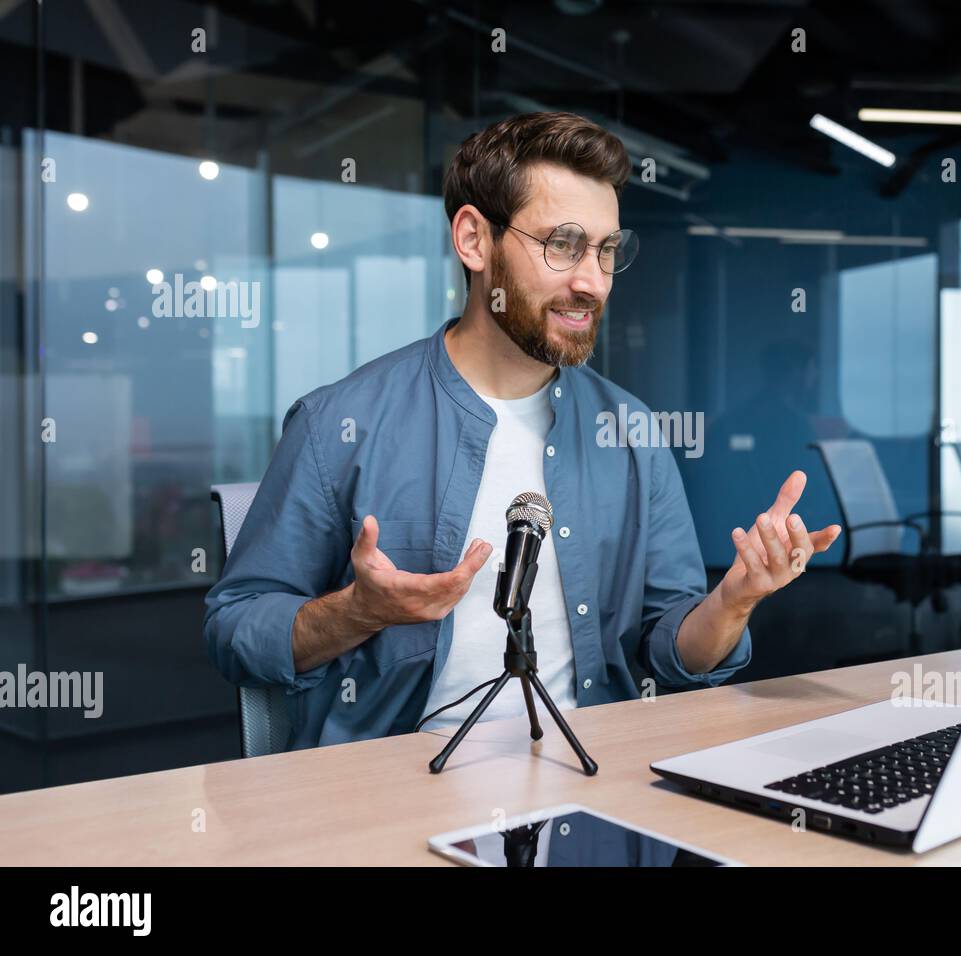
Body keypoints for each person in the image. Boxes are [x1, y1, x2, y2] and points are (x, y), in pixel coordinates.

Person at [203, 111, 840, 749]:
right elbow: (236, 631)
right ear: (475, 240)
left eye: (607, 251)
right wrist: (356, 612)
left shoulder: (634, 431)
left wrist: (732, 602)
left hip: (592, 784)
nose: (592, 281)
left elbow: (670, 648)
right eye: (563, 244)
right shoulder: (337, 424)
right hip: (397, 795)